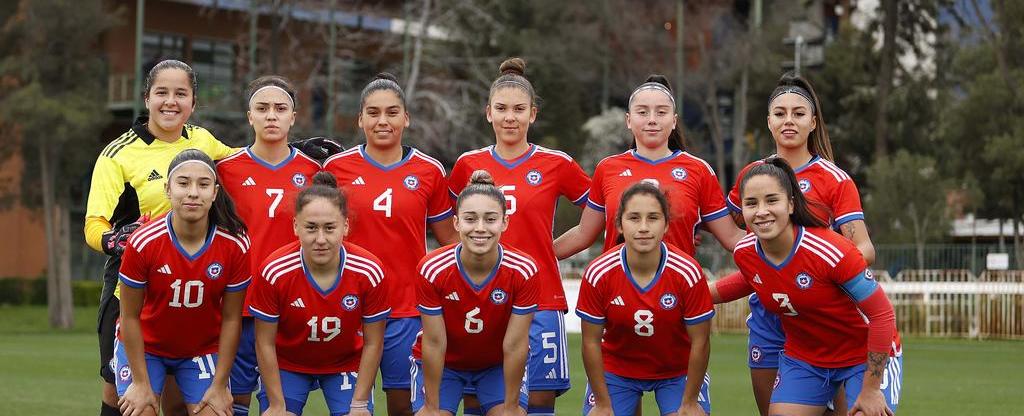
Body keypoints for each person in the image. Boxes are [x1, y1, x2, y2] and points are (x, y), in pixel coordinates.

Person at [714, 72, 876, 416]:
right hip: (769, 314)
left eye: (798, 114)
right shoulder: (752, 176)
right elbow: (732, 229)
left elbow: (863, 249)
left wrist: (821, 276)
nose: (789, 120)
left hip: (819, 316)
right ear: (768, 121)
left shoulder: (834, 179)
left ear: (813, 122)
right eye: (780, 113)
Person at [85, 59, 236, 416]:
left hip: (188, 289)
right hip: (132, 288)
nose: (170, 101)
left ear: (193, 103)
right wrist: (114, 241)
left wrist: (296, 150)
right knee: (121, 394)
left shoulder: (202, 140)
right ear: (147, 98)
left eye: (180, 94)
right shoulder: (118, 154)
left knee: (178, 397)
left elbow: (245, 163)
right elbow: (93, 225)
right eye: (161, 92)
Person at [448, 57, 590, 416]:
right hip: (481, 299)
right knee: (478, 398)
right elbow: (450, 225)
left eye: (519, 109)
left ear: (533, 114)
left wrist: (549, 251)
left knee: (539, 401)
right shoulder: (467, 164)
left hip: (541, 296)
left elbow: (599, 214)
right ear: (488, 113)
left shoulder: (556, 163)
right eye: (501, 109)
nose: (510, 117)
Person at [715, 158, 902, 416]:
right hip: (807, 360)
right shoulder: (746, 252)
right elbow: (749, 279)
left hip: (863, 357)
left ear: (791, 204)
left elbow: (882, 315)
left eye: (772, 200)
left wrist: (871, 388)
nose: (761, 211)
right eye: (751, 203)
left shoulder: (830, 251)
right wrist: (692, 294)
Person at [323, 72, 457, 416]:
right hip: (350, 308)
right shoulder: (336, 168)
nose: (382, 121)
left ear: (406, 118)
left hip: (407, 309)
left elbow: (451, 241)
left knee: (403, 407)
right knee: (353, 408)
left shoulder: (429, 170)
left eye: (392, 112)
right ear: (360, 119)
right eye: (373, 112)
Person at [113, 149, 251, 416]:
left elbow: (232, 318)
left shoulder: (235, 244)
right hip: (146, 347)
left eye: (203, 184)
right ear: (168, 189)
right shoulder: (143, 242)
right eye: (184, 183)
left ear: (215, 192)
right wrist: (140, 383)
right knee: (141, 409)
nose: (193, 193)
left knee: (213, 410)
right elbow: (129, 316)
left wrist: (220, 385)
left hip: (201, 349)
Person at [216, 75, 322, 415]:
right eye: (262, 109)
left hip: (292, 307)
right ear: (250, 117)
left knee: (281, 404)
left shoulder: (313, 171)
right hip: (240, 305)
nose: (271, 115)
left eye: (280, 108)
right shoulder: (225, 171)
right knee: (234, 400)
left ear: (293, 117)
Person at [554, 75, 744, 261]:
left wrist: (766, 246)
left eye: (661, 112)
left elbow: (731, 237)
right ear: (628, 120)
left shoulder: (699, 170)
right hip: (618, 281)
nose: (652, 119)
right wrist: (540, 256)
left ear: (674, 121)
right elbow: (583, 234)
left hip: (676, 281)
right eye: (642, 112)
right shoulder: (607, 168)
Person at [249, 172, 390, 416]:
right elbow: (264, 343)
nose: (321, 239)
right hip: (288, 364)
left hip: (346, 363)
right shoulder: (275, 271)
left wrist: (359, 403)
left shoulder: (369, 271)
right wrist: (277, 405)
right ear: (296, 226)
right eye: (311, 228)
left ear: (346, 226)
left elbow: (373, 342)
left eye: (330, 228)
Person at [576, 182, 713, 416]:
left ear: (666, 224)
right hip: (617, 369)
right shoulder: (599, 273)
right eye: (634, 218)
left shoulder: (687, 272)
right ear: (619, 225)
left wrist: (690, 402)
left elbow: (700, 341)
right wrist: (602, 404)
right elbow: (590, 342)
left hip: (677, 370)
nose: (643, 227)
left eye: (653, 218)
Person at [411, 172, 536, 416]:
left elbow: (515, 344)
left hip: (496, 365)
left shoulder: (523, 270)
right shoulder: (432, 269)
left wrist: (511, 407)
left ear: (504, 222)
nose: (480, 228)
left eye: (490, 219)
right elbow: (435, 342)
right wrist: (431, 407)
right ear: (456, 223)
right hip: (445, 365)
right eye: (470, 219)